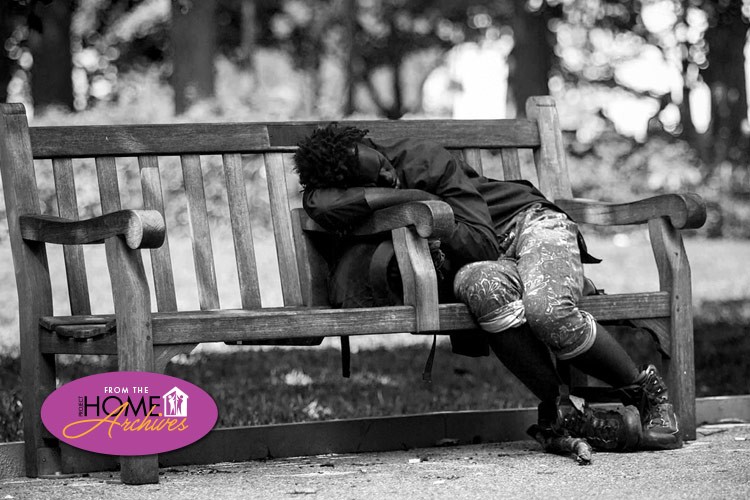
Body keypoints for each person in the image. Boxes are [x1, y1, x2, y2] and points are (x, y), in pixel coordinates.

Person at [293, 123, 682, 453]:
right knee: (481, 288)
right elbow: (321, 205)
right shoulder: (338, 190)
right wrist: (403, 199)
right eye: (370, 181)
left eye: (378, 165)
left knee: (547, 311)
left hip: (527, 226)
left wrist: (420, 201)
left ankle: (644, 393)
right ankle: (561, 412)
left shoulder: (421, 158)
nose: (384, 177)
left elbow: (480, 240)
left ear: (373, 145)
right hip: (480, 266)